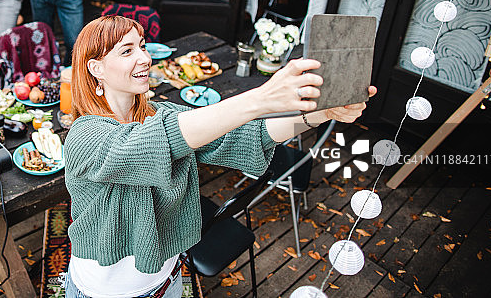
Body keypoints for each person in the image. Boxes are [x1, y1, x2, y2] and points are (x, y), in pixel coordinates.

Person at [63, 15, 376, 298]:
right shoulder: (84, 137)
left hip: (167, 281)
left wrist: (317, 115)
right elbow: (151, 143)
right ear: (96, 68)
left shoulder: (163, 113)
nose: (145, 57)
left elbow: (246, 136)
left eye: (142, 46)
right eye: (127, 51)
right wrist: (262, 98)